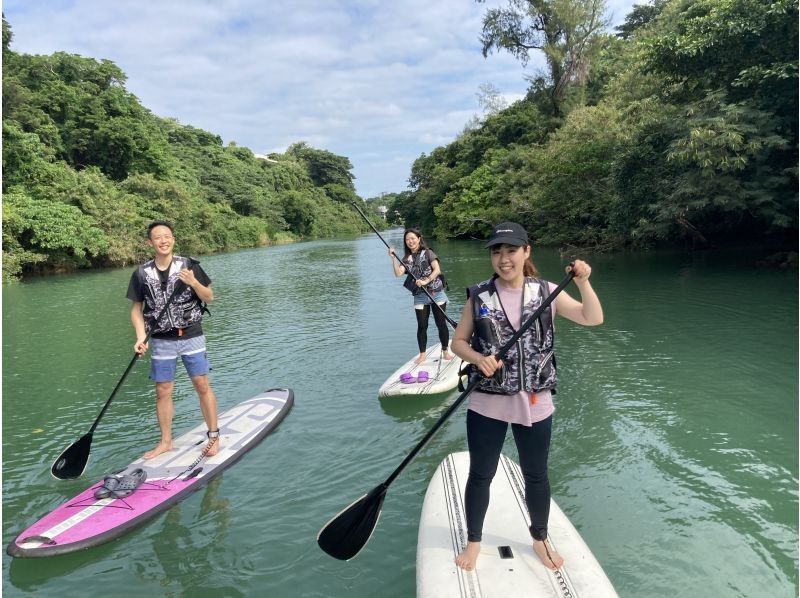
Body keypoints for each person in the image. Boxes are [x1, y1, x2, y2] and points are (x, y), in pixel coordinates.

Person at [450, 221, 603, 572]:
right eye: (497, 251)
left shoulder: (547, 291)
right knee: (481, 474)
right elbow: (458, 343)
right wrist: (477, 358)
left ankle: (539, 538)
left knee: (536, 475)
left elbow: (592, 318)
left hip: (536, 401)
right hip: (487, 401)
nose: (504, 259)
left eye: (511, 250)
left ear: (526, 252)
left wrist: (583, 282)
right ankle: (473, 541)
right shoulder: (479, 296)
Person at [127, 220, 220, 460]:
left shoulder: (189, 266)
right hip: (161, 339)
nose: (163, 240)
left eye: (167, 236)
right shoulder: (141, 273)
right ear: (150, 242)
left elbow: (209, 297)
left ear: (173, 239)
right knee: (163, 390)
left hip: (191, 334)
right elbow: (136, 310)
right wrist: (140, 337)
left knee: (201, 384)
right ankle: (166, 442)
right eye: (157, 237)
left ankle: (213, 436)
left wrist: (194, 282)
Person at [389, 228, 454, 365]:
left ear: (419, 238)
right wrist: (393, 258)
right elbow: (398, 274)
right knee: (422, 326)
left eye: (413, 238)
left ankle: (445, 351)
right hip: (420, 296)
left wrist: (425, 281)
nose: (410, 241)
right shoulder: (406, 259)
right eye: (407, 239)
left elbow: (437, 270)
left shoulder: (428, 253)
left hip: (436, 293)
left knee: (440, 323)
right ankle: (422, 355)